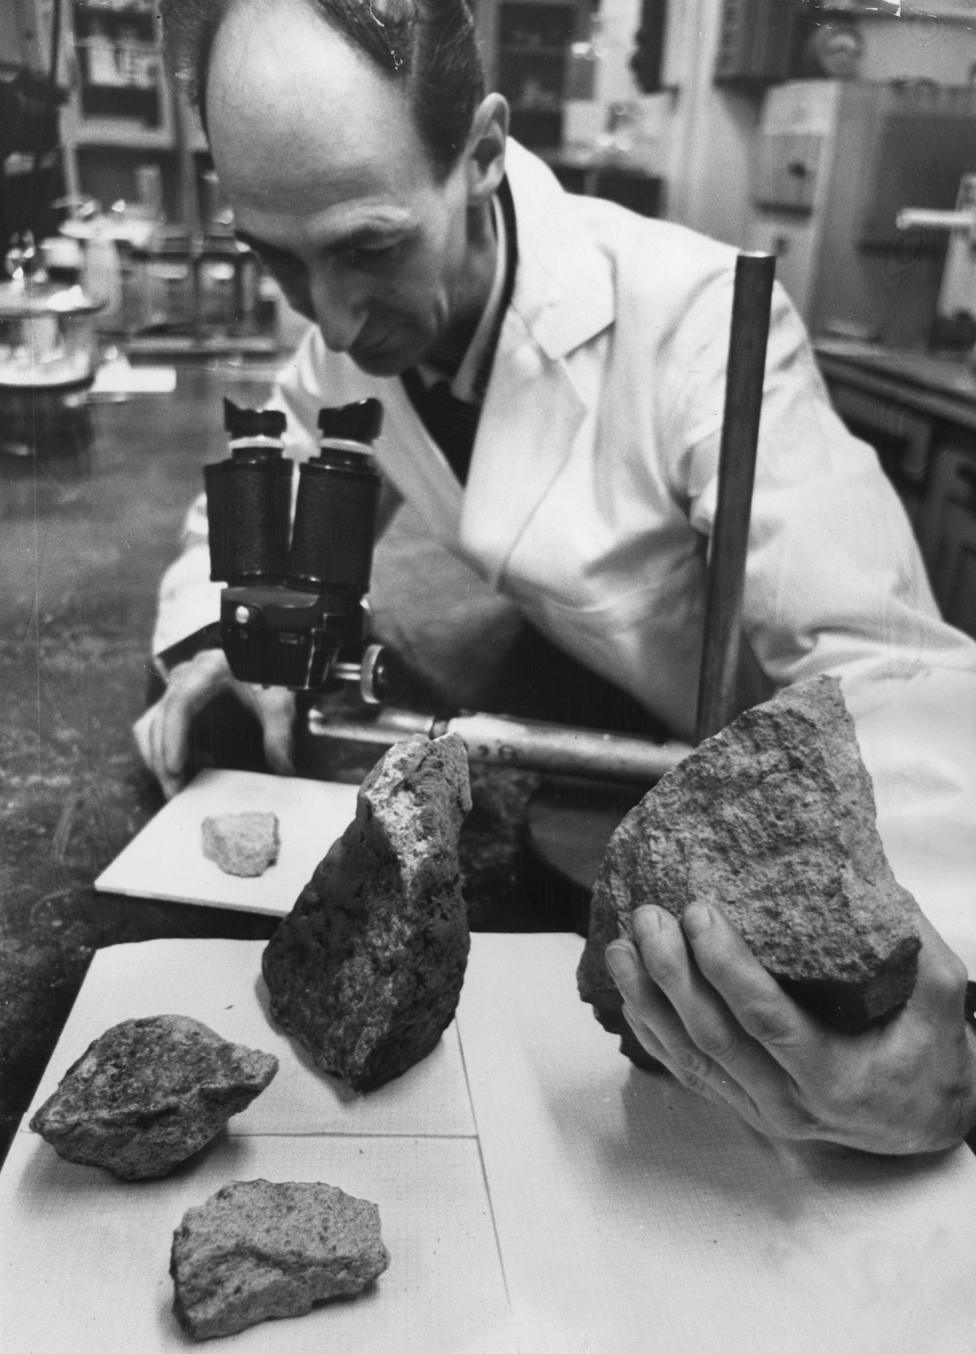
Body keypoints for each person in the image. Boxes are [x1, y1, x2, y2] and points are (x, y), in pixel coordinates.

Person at [137, 0, 976, 1155]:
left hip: (774, 823)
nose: (328, 313)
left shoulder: (691, 323)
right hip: (588, 768)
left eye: (369, 248)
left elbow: (892, 671)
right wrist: (218, 651)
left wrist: (938, 999)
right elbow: (237, 502)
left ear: (481, 154)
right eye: (276, 256)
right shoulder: (350, 325)